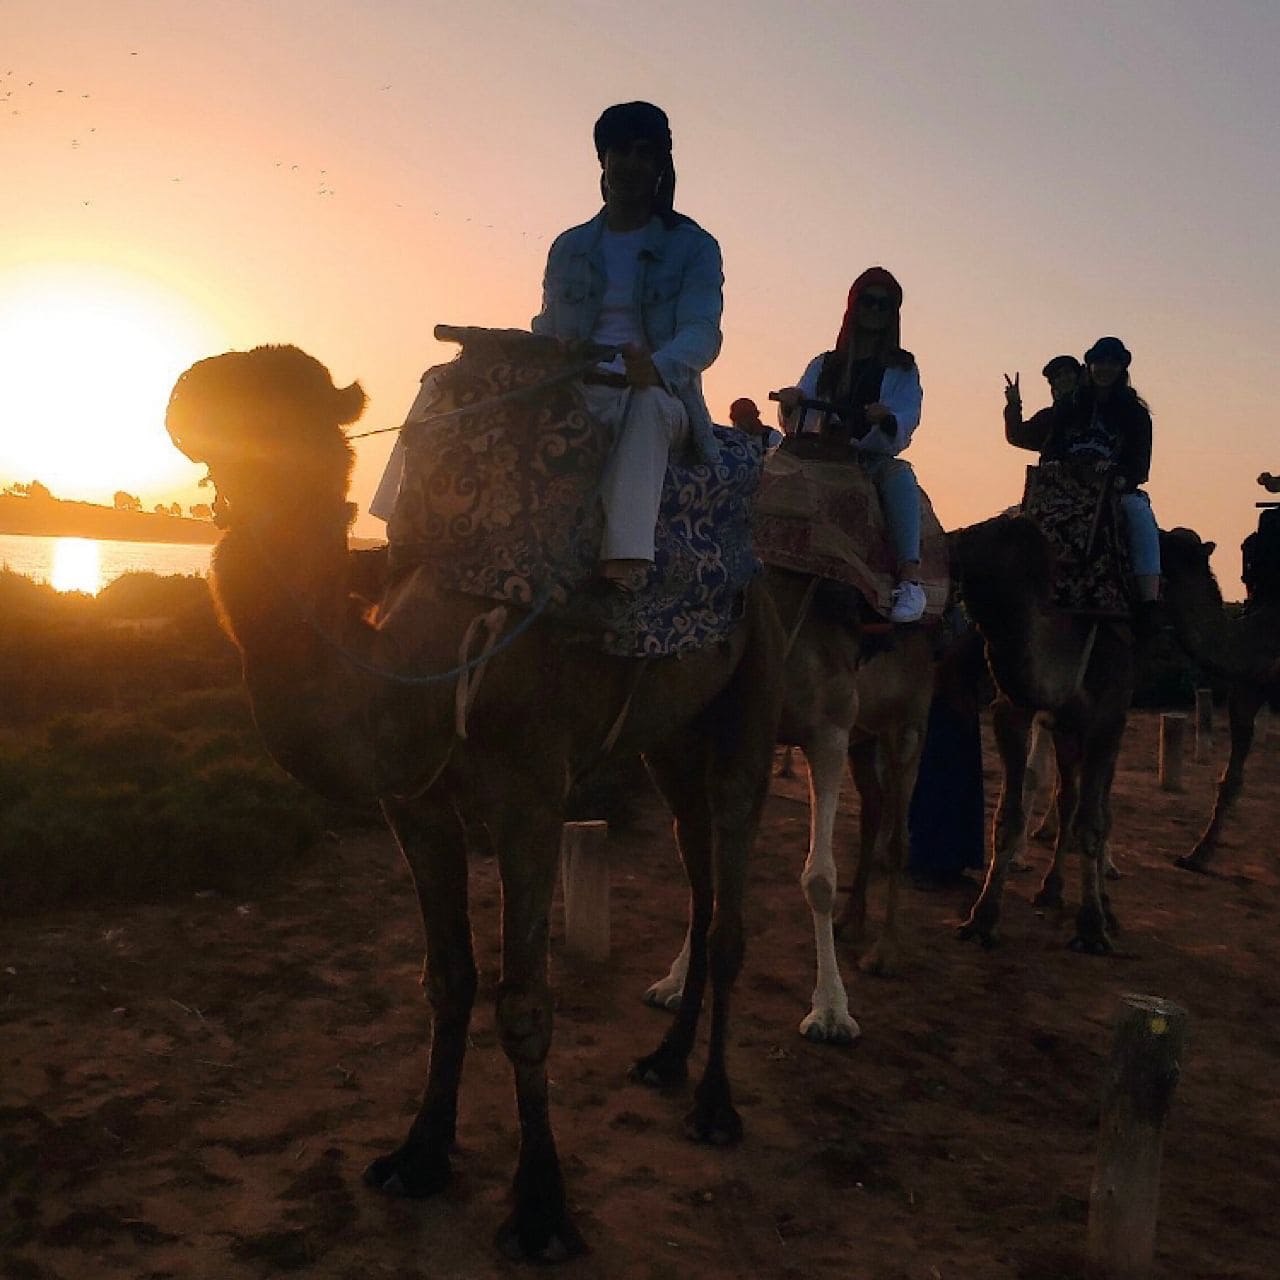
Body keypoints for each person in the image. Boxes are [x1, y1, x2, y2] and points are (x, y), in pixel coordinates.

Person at [530, 101, 724, 592]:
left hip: (656, 396)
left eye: (645, 153)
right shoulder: (569, 247)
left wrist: (656, 367)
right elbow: (548, 325)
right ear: (603, 159)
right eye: (621, 151)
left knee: (646, 403)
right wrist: (551, 349)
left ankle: (625, 561)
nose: (631, 165)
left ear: (661, 166)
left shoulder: (694, 247)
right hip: (576, 388)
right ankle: (403, 531)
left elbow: (702, 332)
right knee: (446, 381)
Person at [774, 267, 926, 624]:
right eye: (868, 302)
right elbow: (799, 407)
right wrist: (791, 401)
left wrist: (887, 418)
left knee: (900, 477)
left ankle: (910, 578)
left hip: (866, 458)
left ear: (893, 314)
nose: (874, 311)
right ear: (853, 306)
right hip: (815, 455)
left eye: (883, 305)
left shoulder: (903, 369)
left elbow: (907, 415)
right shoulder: (824, 364)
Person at [1002, 336, 1161, 608]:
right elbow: (1049, 446)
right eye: (1099, 362)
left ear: (1121, 368)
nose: (1104, 368)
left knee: (1139, 516)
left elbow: (1139, 463)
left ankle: (1149, 603)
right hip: (1066, 491)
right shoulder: (1068, 407)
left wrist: (1120, 475)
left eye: (1112, 363)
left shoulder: (1134, 414)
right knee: (1017, 524)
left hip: (1113, 489)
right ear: (1090, 366)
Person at [1002, 354, 1080, 448]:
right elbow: (1017, 435)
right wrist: (1013, 404)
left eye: (1068, 372)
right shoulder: (1048, 418)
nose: (1064, 378)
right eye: (1058, 376)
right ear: (1053, 386)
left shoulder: (1097, 407)